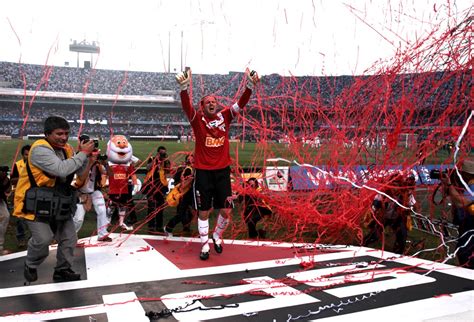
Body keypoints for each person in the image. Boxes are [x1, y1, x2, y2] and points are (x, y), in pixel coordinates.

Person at [175, 67, 260, 260]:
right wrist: (183, 89)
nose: (212, 104)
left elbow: (241, 103)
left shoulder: (225, 116)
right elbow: (186, 107)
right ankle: (204, 246)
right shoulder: (198, 120)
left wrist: (249, 87)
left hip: (222, 171)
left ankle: (217, 236)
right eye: (208, 102)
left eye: (214, 101)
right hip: (203, 172)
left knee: (227, 210)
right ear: (202, 106)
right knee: (203, 212)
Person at [13, 116, 95, 283]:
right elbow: (61, 170)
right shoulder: (39, 150)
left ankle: (62, 270)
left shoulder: (67, 149)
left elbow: (79, 173)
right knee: (43, 239)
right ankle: (31, 263)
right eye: (59, 133)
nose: (63, 137)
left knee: (69, 238)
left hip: (59, 202)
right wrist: (82, 153)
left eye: (66, 133)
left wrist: (88, 159)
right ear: (47, 133)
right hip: (36, 203)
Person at [363, 173, 418, 254]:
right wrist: (374, 208)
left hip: (398, 218)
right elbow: (376, 202)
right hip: (384, 217)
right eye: (393, 185)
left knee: (402, 235)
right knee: (374, 235)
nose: (394, 188)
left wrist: (409, 208)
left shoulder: (406, 194)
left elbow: (413, 205)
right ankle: (363, 244)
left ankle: (398, 254)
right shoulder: (384, 192)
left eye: (397, 185)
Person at [440, 158, 474, 268]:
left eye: (459, 173)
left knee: (466, 260)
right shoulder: (466, 188)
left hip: (471, 236)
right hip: (466, 233)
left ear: (466, 174)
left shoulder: (472, 186)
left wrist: (449, 185)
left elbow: (462, 203)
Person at [73, 152, 111, 242]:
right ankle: (71, 236)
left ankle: (102, 234)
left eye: (96, 156)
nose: (95, 158)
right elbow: (77, 180)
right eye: (93, 156)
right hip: (80, 192)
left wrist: (105, 163)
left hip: (94, 191)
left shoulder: (98, 166)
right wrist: (90, 163)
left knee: (102, 211)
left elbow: (109, 174)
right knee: (78, 218)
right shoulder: (79, 164)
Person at [164, 153, 195, 236]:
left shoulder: (187, 169)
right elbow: (183, 185)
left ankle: (186, 228)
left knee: (191, 212)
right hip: (184, 195)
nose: (191, 160)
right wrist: (191, 179)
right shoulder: (188, 170)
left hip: (188, 194)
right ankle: (168, 228)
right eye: (190, 159)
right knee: (181, 214)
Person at [142, 146, 170, 232]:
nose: (162, 154)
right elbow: (148, 168)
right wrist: (155, 160)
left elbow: (168, 171)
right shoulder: (152, 159)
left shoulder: (165, 161)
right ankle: (151, 226)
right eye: (161, 153)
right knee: (151, 206)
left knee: (160, 207)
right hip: (151, 185)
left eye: (164, 153)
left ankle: (159, 226)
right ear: (158, 153)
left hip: (161, 186)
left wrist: (165, 162)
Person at [10, 144, 31, 248]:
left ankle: (32, 239)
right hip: (20, 195)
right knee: (20, 219)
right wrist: (24, 178)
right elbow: (12, 180)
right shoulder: (17, 165)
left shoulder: (37, 164)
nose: (28, 156)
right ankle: (21, 238)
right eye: (26, 154)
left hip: (33, 195)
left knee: (34, 218)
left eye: (30, 154)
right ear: (22, 155)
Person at [0, 165, 12, 255]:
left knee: (6, 216)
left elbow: (7, 191)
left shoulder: (6, 180)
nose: (3, 173)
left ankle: (0, 248)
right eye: (1, 171)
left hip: (1, 201)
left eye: (5, 172)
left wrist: (7, 184)